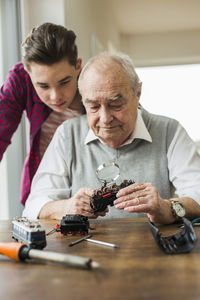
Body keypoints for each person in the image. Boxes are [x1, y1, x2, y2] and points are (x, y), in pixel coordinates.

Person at [23, 52, 200, 224]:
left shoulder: (170, 131)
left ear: (137, 93)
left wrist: (167, 208)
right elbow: (33, 207)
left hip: (154, 248)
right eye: (93, 107)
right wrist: (66, 207)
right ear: (83, 101)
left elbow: (197, 193)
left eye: (115, 105)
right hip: (83, 251)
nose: (105, 118)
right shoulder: (67, 134)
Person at [0, 22, 84, 205]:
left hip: (90, 195)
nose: (55, 97)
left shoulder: (96, 82)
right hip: (42, 199)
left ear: (78, 66)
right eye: (43, 86)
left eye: (64, 82)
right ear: (29, 74)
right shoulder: (20, 79)